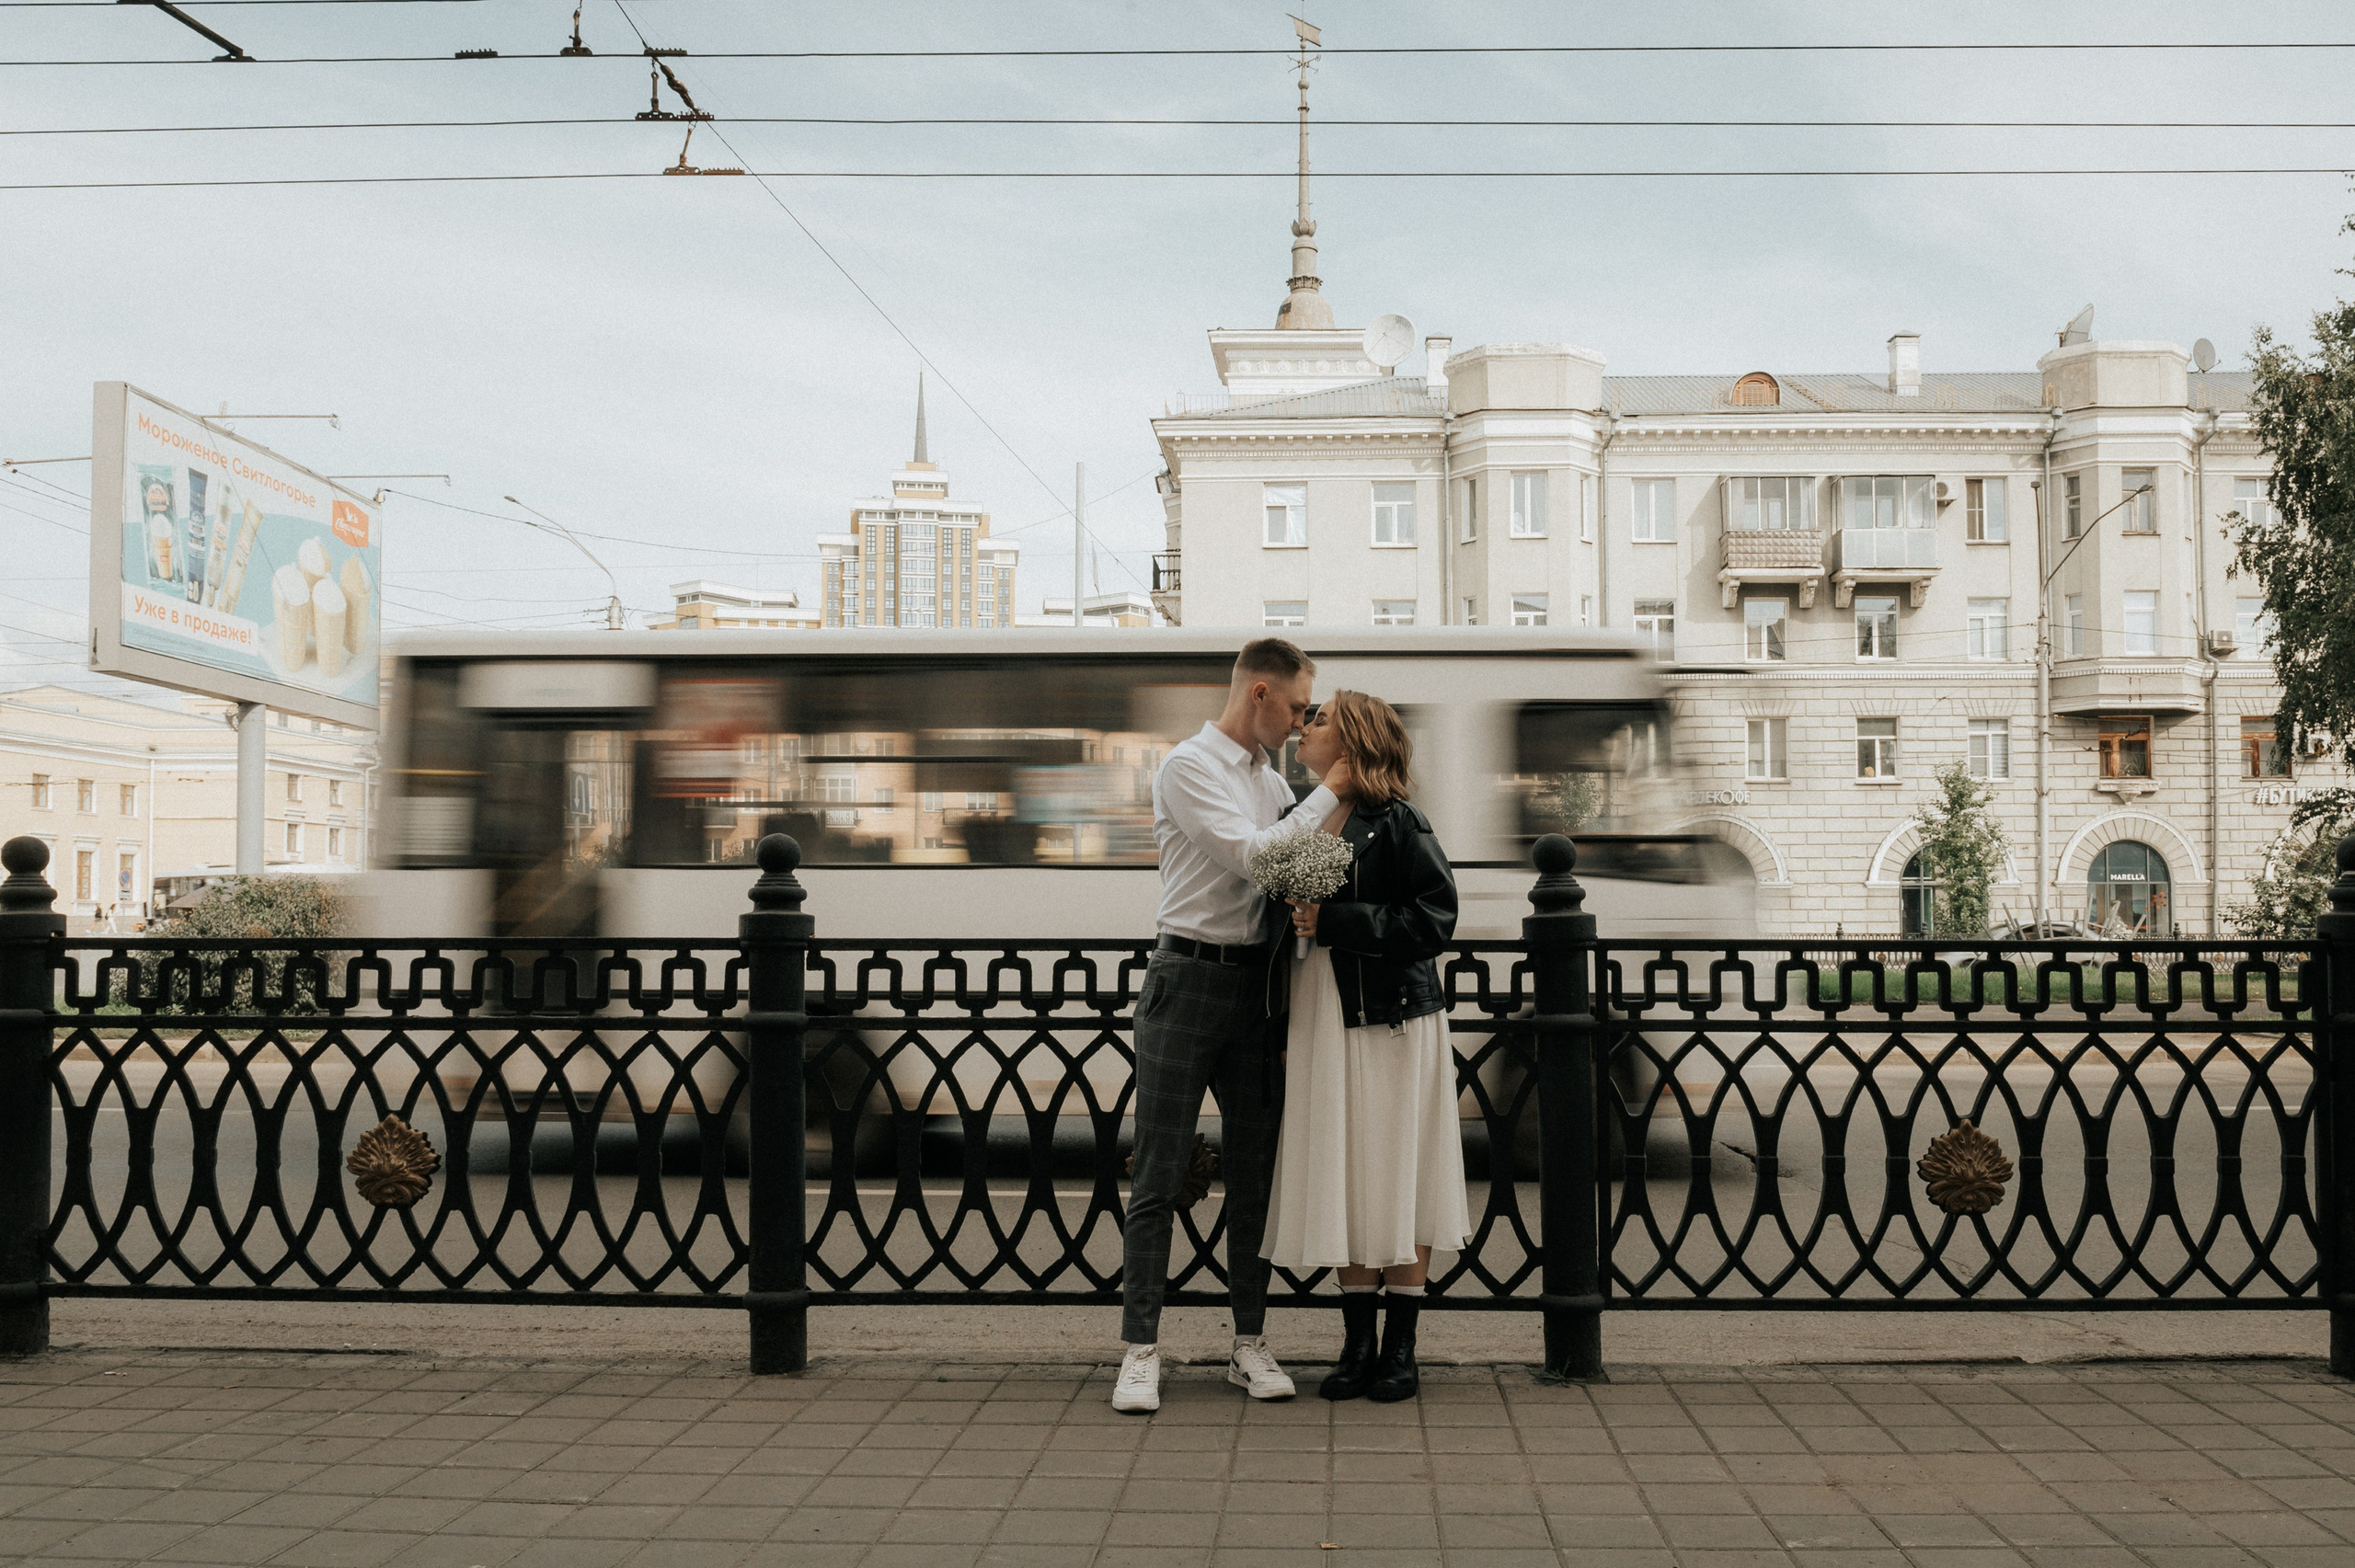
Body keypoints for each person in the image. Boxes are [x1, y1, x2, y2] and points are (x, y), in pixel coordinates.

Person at [1113, 636, 1343, 1414]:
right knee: (1160, 1172)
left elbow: (1304, 867)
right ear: (1259, 694)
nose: (1302, 720)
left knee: (1254, 1174)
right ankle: (1140, 1349)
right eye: (1298, 705)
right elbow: (1257, 859)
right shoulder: (1190, 767)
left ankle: (1248, 1341)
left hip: (1257, 988)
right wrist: (1332, 787)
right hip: (1184, 979)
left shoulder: (1273, 781)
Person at [1261, 690, 1468, 1402]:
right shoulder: (1319, 815)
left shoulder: (1399, 820)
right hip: (1326, 1013)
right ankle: (1356, 1347)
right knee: (1350, 1172)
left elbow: (1435, 917)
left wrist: (1339, 920)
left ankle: (1400, 1351)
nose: (1304, 726)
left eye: (1317, 721)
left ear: (1351, 742)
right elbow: (1281, 898)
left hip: (1391, 1019)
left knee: (1396, 1170)